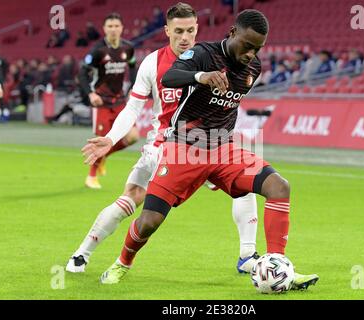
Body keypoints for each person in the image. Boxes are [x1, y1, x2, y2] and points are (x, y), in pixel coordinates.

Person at [97, 9, 319, 289]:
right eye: (247, 46)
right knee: (149, 221)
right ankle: (122, 263)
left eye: (257, 48)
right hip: (184, 149)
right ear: (232, 34)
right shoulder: (204, 53)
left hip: (223, 149)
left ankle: (278, 267)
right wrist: (201, 76)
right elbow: (171, 77)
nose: (251, 53)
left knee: (279, 187)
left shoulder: (253, 68)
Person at [66, 2, 261, 276]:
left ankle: (247, 256)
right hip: (165, 146)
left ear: (197, 30)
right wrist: (110, 139)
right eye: (178, 31)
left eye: (190, 31)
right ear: (167, 30)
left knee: (242, 183)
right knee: (132, 199)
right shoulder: (153, 63)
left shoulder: (211, 57)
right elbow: (133, 107)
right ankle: (82, 254)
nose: (185, 37)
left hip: (202, 145)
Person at [78, 12, 139, 189]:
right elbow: (82, 72)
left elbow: (134, 67)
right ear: (104, 29)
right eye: (110, 26)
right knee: (100, 138)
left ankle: (104, 156)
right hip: (101, 102)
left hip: (120, 100)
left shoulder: (128, 48)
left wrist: (133, 89)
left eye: (116, 26)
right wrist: (91, 94)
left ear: (122, 28)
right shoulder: (98, 50)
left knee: (133, 136)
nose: (113, 29)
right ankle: (91, 177)